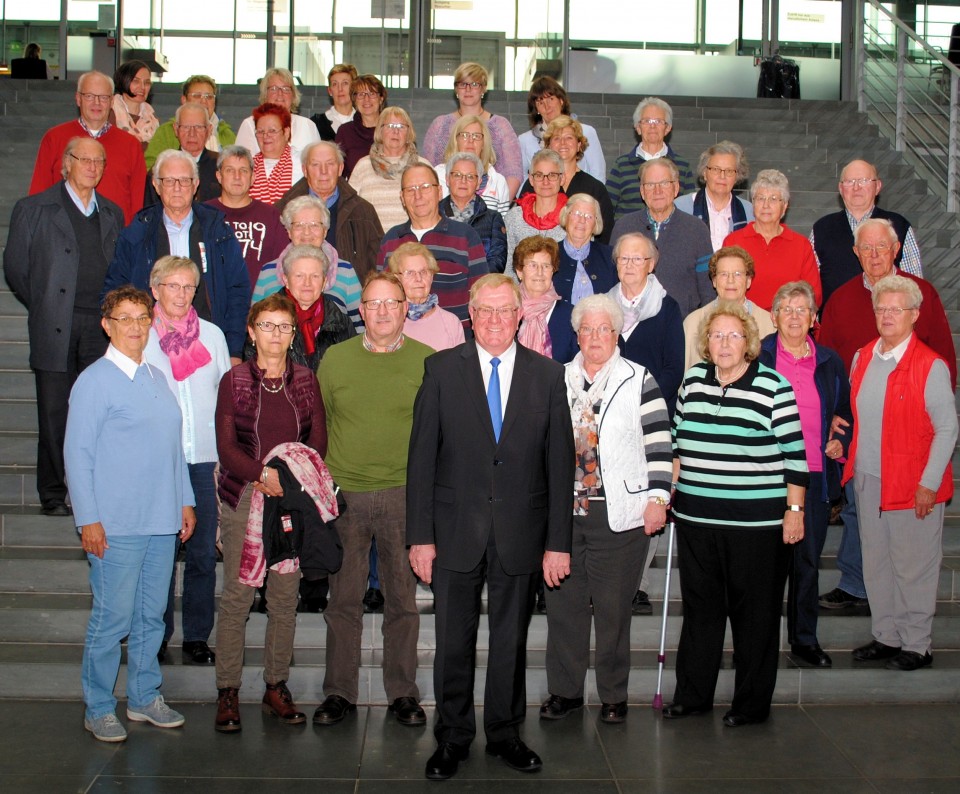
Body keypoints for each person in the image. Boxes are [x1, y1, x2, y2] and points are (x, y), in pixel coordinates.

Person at [407, 273, 575, 781]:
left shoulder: (547, 376)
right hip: (455, 531)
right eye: (487, 311)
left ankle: (505, 734)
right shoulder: (439, 370)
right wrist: (420, 535)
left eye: (506, 310)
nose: (497, 320)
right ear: (471, 316)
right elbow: (421, 461)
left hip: (522, 534)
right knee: (453, 644)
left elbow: (560, 465)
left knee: (511, 643)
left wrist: (557, 544)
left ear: (520, 315)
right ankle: (452, 738)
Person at [666, 301, 808, 727]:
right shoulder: (691, 382)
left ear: (748, 343)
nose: (724, 343)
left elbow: (795, 459)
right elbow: (677, 446)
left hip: (757, 527)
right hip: (696, 521)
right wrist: (666, 496)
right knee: (700, 612)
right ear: (705, 343)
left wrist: (795, 510)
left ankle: (750, 704)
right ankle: (692, 697)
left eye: (733, 336)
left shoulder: (774, 387)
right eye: (716, 335)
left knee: (756, 617)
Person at [64, 286, 196, 743]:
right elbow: (77, 455)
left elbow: (172, 448)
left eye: (143, 317)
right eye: (126, 318)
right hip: (115, 524)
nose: (136, 326)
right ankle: (98, 706)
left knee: (151, 618)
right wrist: (89, 519)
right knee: (112, 617)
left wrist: (184, 500)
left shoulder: (157, 377)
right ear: (108, 325)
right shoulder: (94, 381)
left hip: (160, 520)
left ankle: (144, 697)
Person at [541, 293, 672, 724]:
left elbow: (658, 444)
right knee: (564, 611)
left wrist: (658, 499)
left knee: (614, 612)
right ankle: (565, 692)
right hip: (563, 515)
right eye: (587, 329)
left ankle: (613, 695)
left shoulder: (639, 379)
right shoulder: (553, 378)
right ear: (576, 334)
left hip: (619, 514)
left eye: (604, 329)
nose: (595, 337)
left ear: (616, 334)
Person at [313, 273, 434, 728]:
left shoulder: (429, 362)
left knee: (402, 601)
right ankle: (339, 692)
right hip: (346, 497)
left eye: (391, 303)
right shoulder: (336, 361)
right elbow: (318, 428)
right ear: (360, 311)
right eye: (373, 304)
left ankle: (402, 692)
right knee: (343, 600)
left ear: (406, 308)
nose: (382, 312)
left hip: (405, 497)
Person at [817, 218, 956, 611]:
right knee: (863, 520)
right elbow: (825, 363)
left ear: (896, 250)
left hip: (911, 439)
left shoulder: (921, 294)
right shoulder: (842, 300)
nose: (874, 255)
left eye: (882, 248)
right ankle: (860, 588)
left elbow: (944, 360)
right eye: (866, 249)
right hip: (858, 434)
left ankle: (909, 630)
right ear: (856, 253)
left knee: (907, 546)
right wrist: (831, 414)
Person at [213, 293, 331, 732]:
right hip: (244, 495)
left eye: (284, 326)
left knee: (284, 599)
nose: (276, 334)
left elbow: (318, 440)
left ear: (293, 334)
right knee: (238, 598)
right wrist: (263, 475)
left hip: (291, 500)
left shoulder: (305, 380)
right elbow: (226, 447)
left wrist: (290, 481)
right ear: (252, 331)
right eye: (268, 325)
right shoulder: (235, 381)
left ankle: (275, 685)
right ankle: (228, 691)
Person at [4, 137, 124, 517]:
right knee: (55, 412)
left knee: (97, 412)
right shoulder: (33, 209)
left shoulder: (112, 213)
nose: (92, 166)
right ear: (66, 163)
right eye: (83, 159)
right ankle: (54, 492)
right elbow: (16, 269)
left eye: (98, 161)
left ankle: (93, 488)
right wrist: (45, 304)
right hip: (54, 322)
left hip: (100, 328)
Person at [846, 275, 957, 671]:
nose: (887, 315)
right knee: (876, 563)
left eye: (896, 309)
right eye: (881, 308)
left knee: (914, 566)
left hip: (912, 484)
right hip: (868, 479)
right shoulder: (863, 357)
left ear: (914, 315)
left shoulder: (930, 366)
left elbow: (947, 428)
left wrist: (928, 484)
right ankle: (887, 636)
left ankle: (917, 644)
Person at [759, 281, 851, 669]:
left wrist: (838, 439)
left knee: (807, 563)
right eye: (787, 308)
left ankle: (804, 640)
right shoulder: (757, 355)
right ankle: (758, 642)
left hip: (812, 475)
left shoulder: (830, 362)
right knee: (762, 567)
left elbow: (844, 415)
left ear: (814, 319)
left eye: (803, 310)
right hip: (764, 477)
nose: (795, 316)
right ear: (775, 315)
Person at [144, 256, 231, 666]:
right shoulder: (140, 338)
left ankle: (197, 637)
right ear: (156, 288)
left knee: (200, 555)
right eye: (172, 286)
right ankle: (156, 635)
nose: (181, 294)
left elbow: (225, 398)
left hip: (205, 459)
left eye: (188, 287)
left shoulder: (212, 335)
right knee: (160, 553)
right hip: (160, 462)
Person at [103, 149, 251, 360]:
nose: (177, 188)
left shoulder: (218, 232)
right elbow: (116, 290)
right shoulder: (137, 233)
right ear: (156, 185)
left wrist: (234, 350)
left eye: (184, 180)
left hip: (207, 340)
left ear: (195, 184)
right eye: (169, 181)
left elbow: (238, 291)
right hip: (149, 343)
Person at [377, 163, 489, 328]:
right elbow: (382, 294)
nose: (418, 195)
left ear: (440, 192)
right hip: (401, 342)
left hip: (455, 342)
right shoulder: (391, 239)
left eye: (425, 187)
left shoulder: (465, 236)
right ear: (402, 197)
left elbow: (481, 295)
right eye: (410, 189)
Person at [30, 70, 147, 224]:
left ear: (112, 102)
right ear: (78, 99)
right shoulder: (54, 138)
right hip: (62, 233)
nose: (96, 103)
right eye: (89, 96)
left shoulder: (130, 144)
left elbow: (138, 200)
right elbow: (38, 192)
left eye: (103, 97)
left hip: (114, 236)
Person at [811, 159, 923, 308]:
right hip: (837, 323)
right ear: (840, 188)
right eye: (850, 182)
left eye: (864, 181)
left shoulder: (899, 226)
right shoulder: (821, 228)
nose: (856, 187)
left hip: (888, 322)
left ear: (877, 186)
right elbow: (811, 287)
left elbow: (914, 285)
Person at [609, 158, 713, 316]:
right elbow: (611, 278)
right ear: (642, 191)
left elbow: (708, 290)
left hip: (683, 325)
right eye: (650, 185)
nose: (657, 191)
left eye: (664, 183)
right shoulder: (623, 227)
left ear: (676, 188)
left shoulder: (697, 229)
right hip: (630, 324)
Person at [275, 140, 384, 282]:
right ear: (304, 170)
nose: (323, 171)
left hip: (350, 297)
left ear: (340, 168)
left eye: (330, 164)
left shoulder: (363, 211)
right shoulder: (281, 210)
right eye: (315, 165)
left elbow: (378, 264)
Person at [252, 195, 364, 332]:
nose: (306, 233)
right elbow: (255, 326)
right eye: (298, 225)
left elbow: (360, 327)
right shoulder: (268, 272)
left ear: (325, 231)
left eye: (314, 225)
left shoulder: (345, 271)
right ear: (288, 231)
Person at [723, 169, 821, 311]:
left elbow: (814, 295)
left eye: (774, 199)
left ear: (785, 206)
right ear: (753, 203)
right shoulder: (733, 242)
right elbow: (725, 289)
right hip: (743, 321)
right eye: (760, 198)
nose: (766, 205)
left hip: (787, 324)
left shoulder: (801, 245)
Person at [421, 62, 523, 199]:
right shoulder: (439, 125)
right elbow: (427, 171)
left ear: (484, 89)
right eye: (463, 84)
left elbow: (514, 174)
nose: (468, 89)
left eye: (474, 84)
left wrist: (494, 211)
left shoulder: (501, 126)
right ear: (456, 89)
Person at [245, 244, 354, 370]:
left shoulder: (341, 322)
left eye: (315, 276)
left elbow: (351, 370)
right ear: (285, 280)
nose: (307, 283)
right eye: (299, 276)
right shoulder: (264, 318)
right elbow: (252, 368)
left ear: (324, 282)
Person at [518, 116, 614, 244]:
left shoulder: (595, 188)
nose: (563, 143)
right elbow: (519, 223)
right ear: (548, 146)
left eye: (569, 138)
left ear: (579, 145)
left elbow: (605, 235)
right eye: (557, 138)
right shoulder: (536, 184)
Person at [683, 245, 776, 370]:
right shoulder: (692, 323)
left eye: (737, 274)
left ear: (748, 281)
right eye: (723, 274)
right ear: (714, 281)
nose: (730, 280)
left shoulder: (769, 324)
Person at [207, 144, 288, 287]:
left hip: (260, 304)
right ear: (219, 176)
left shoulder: (271, 216)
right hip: (212, 304)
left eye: (243, 171)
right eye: (230, 170)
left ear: (253, 178)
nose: (237, 177)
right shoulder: (204, 213)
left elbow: (281, 266)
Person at [607, 97, 695, 221]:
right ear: (638, 127)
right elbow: (606, 208)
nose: (652, 126)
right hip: (630, 236)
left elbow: (689, 210)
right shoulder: (621, 165)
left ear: (668, 128)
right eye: (647, 121)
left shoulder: (682, 166)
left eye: (658, 121)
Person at [348, 107, 430, 232]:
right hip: (371, 243)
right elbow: (349, 207)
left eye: (401, 126)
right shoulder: (363, 165)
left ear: (409, 133)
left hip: (411, 243)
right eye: (390, 125)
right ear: (380, 131)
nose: (395, 131)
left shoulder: (422, 166)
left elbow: (432, 208)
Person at [519, 76, 606, 182]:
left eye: (551, 99)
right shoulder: (524, 140)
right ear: (536, 109)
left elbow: (598, 173)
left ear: (561, 101)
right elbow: (521, 177)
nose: (547, 106)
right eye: (540, 102)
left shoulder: (586, 132)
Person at [675, 141, 754, 252]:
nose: (722, 176)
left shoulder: (750, 212)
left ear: (737, 176)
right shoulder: (680, 207)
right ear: (704, 173)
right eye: (716, 169)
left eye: (729, 171)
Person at [145, 74, 236, 170]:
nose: (204, 101)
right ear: (184, 100)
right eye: (197, 96)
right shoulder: (166, 132)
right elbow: (150, 167)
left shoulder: (227, 134)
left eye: (209, 97)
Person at [386, 242, 465, 350]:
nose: (418, 278)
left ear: (432, 276)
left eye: (423, 272)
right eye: (409, 273)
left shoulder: (451, 323)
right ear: (397, 278)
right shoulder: (387, 322)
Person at [439, 151, 508, 274]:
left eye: (470, 176)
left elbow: (498, 260)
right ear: (447, 179)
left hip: (480, 286)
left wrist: (474, 279)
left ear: (479, 183)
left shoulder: (493, 219)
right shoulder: (434, 214)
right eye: (457, 175)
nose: (463, 181)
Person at [514, 236, 578, 364]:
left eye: (546, 266)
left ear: (553, 271)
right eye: (533, 265)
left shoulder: (572, 315)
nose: (540, 272)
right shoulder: (506, 311)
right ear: (519, 272)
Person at [504, 149, 568, 274]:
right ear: (531, 179)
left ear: (562, 179)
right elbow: (509, 266)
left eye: (552, 175)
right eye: (539, 175)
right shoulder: (514, 217)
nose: (545, 181)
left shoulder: (573, 218)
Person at [144, 102, 221, 206]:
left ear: (209, 130)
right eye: (186, 127)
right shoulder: (162, 168)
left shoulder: (222, 166)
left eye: (198, 127)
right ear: (176, 129)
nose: (192, 133)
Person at [235, 67, 320, 156]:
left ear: (293, 95)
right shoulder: (250, 125)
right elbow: (239, 163)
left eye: (286, 89)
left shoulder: (308, 125)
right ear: (265, 94)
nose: (280, 93)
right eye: (274, 89)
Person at [435, 114, 511, 213]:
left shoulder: (498, 182)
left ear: (484, 143)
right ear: (456, 141)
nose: (471, 141)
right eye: (465, 135)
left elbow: (502, 223)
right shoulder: (436, 175)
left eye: (476, 136)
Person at [554, 194, 618, 305]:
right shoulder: (548, 254)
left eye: (589, 216)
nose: (582, 220)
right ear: (566, 216)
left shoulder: (610, 256)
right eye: (577, 214)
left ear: (595, 223)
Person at [248, 103, 302, 205]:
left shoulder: (302, 162)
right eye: (260, 131)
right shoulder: (248, 164)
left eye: (272, 131)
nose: (265, 136)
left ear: (286, 133)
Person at [335, 74, 387, 177]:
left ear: (381, 99)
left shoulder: (391, 130)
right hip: (355, 191)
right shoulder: (345, 132)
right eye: (361, 94)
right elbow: (338, 172)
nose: (366, 99)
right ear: (354, 100)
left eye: (372, 93)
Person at [110, 60, 158, 147]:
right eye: (136, 81)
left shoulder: (152, 118)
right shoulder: (109, 114)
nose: (142, 87)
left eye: (147, 82)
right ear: (123, 81)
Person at [312, 63, 359, 139]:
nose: (340, 89)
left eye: (345, 83)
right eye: (335, 84)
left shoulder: (364, 122)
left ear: (354, 88)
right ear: (330, 91)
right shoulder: (315, 123)